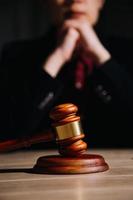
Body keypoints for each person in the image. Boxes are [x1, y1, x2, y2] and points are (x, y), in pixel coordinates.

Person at [0, 0, 133, 148]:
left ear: (101, 2)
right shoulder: (15, 55)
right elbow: (9, 133)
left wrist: (100, 56)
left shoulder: (128, 52)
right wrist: (57, 57)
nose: (75, 0)